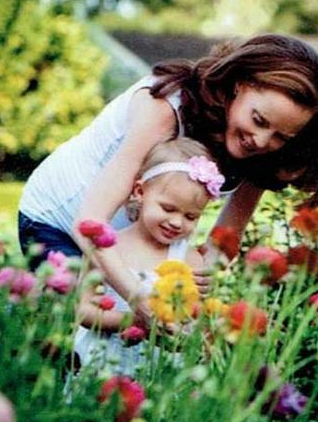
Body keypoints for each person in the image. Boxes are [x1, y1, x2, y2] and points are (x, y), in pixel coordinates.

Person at [18, 33, 318, 309]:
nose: (262, 140)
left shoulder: (262, 148)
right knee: (74, 324)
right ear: (239, 84)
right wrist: (138, 298)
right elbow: (89, 221)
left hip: (136, 236)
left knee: (132, 339)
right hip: (61, 217)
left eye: (282, 136)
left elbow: (227, 234)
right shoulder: (166, 106)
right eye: (258, 120)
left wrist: (203, 270)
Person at [74, 138, 222, 376]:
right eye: (168, 208)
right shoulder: (108, 248)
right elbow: (84, 311)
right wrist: (134, 321)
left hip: (156, 369)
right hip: (103, 363)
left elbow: (197, 321)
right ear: (140, 192)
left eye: (191, 217)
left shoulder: (189, 259)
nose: (176, 222)